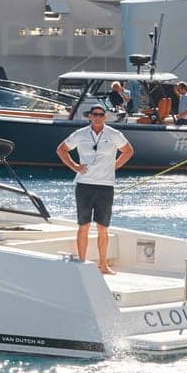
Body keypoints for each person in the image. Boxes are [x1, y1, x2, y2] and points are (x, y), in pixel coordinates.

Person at [56, 105, 133, 274]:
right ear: (89, 117)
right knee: (83, 226)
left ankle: (103, 265)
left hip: (106, 186)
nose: (98, 117)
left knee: (103, 227)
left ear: (105, 117)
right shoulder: (80, 134)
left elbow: (128, 151)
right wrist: (74, 166)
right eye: (95, 115)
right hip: (84, 185)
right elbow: (61, 149)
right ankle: (82, 262)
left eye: (101, 115)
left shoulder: (114, 134)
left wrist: (114, 167)